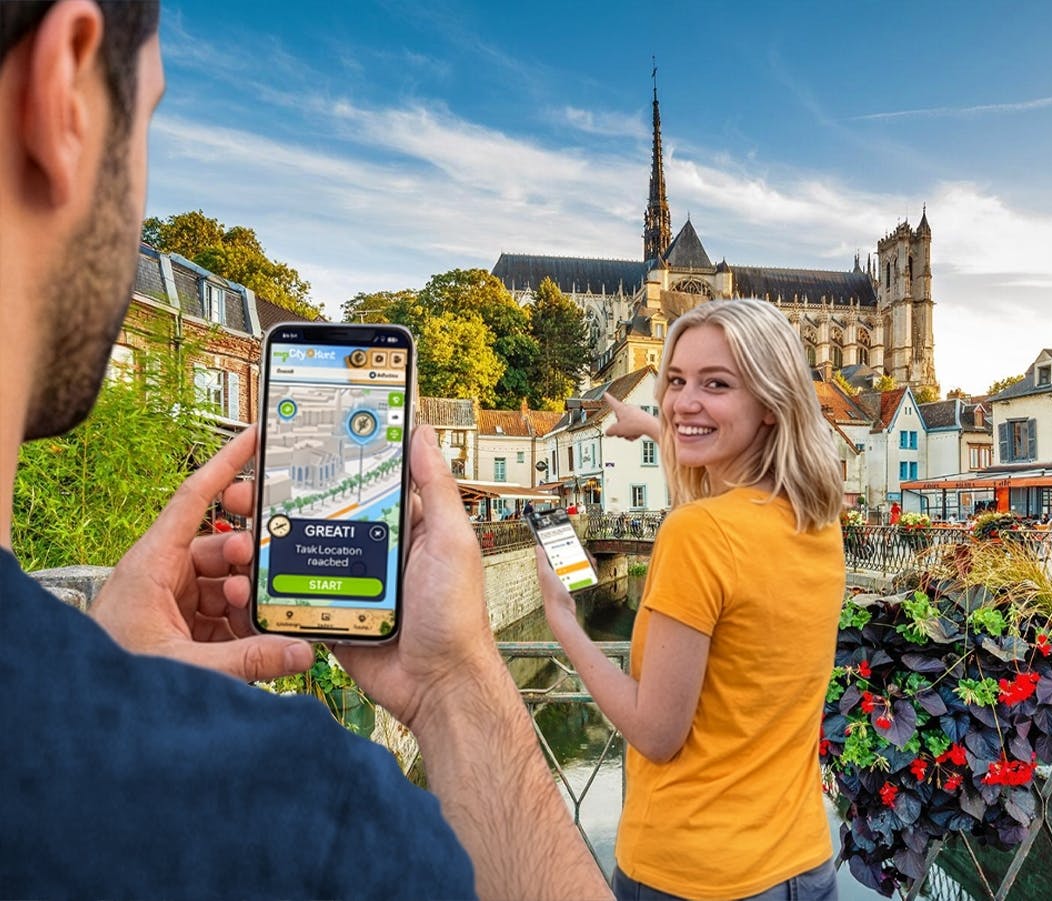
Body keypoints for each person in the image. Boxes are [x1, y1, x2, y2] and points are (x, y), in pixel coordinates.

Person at [0, 4, 610, 898]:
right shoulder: (301, 822)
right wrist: (456, 682)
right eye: (150, 121)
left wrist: (100, 675)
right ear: (65, 92)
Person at [537, 300, 845, 900]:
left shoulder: (698, 534)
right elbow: (728, 462)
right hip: (802, 863)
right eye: (675, 382)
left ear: (771, 404)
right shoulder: (816, 520)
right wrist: (651, 424)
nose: (681, 402)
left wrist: (565, 623)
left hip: (694, 873)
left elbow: (656, 734)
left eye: (716, 384)